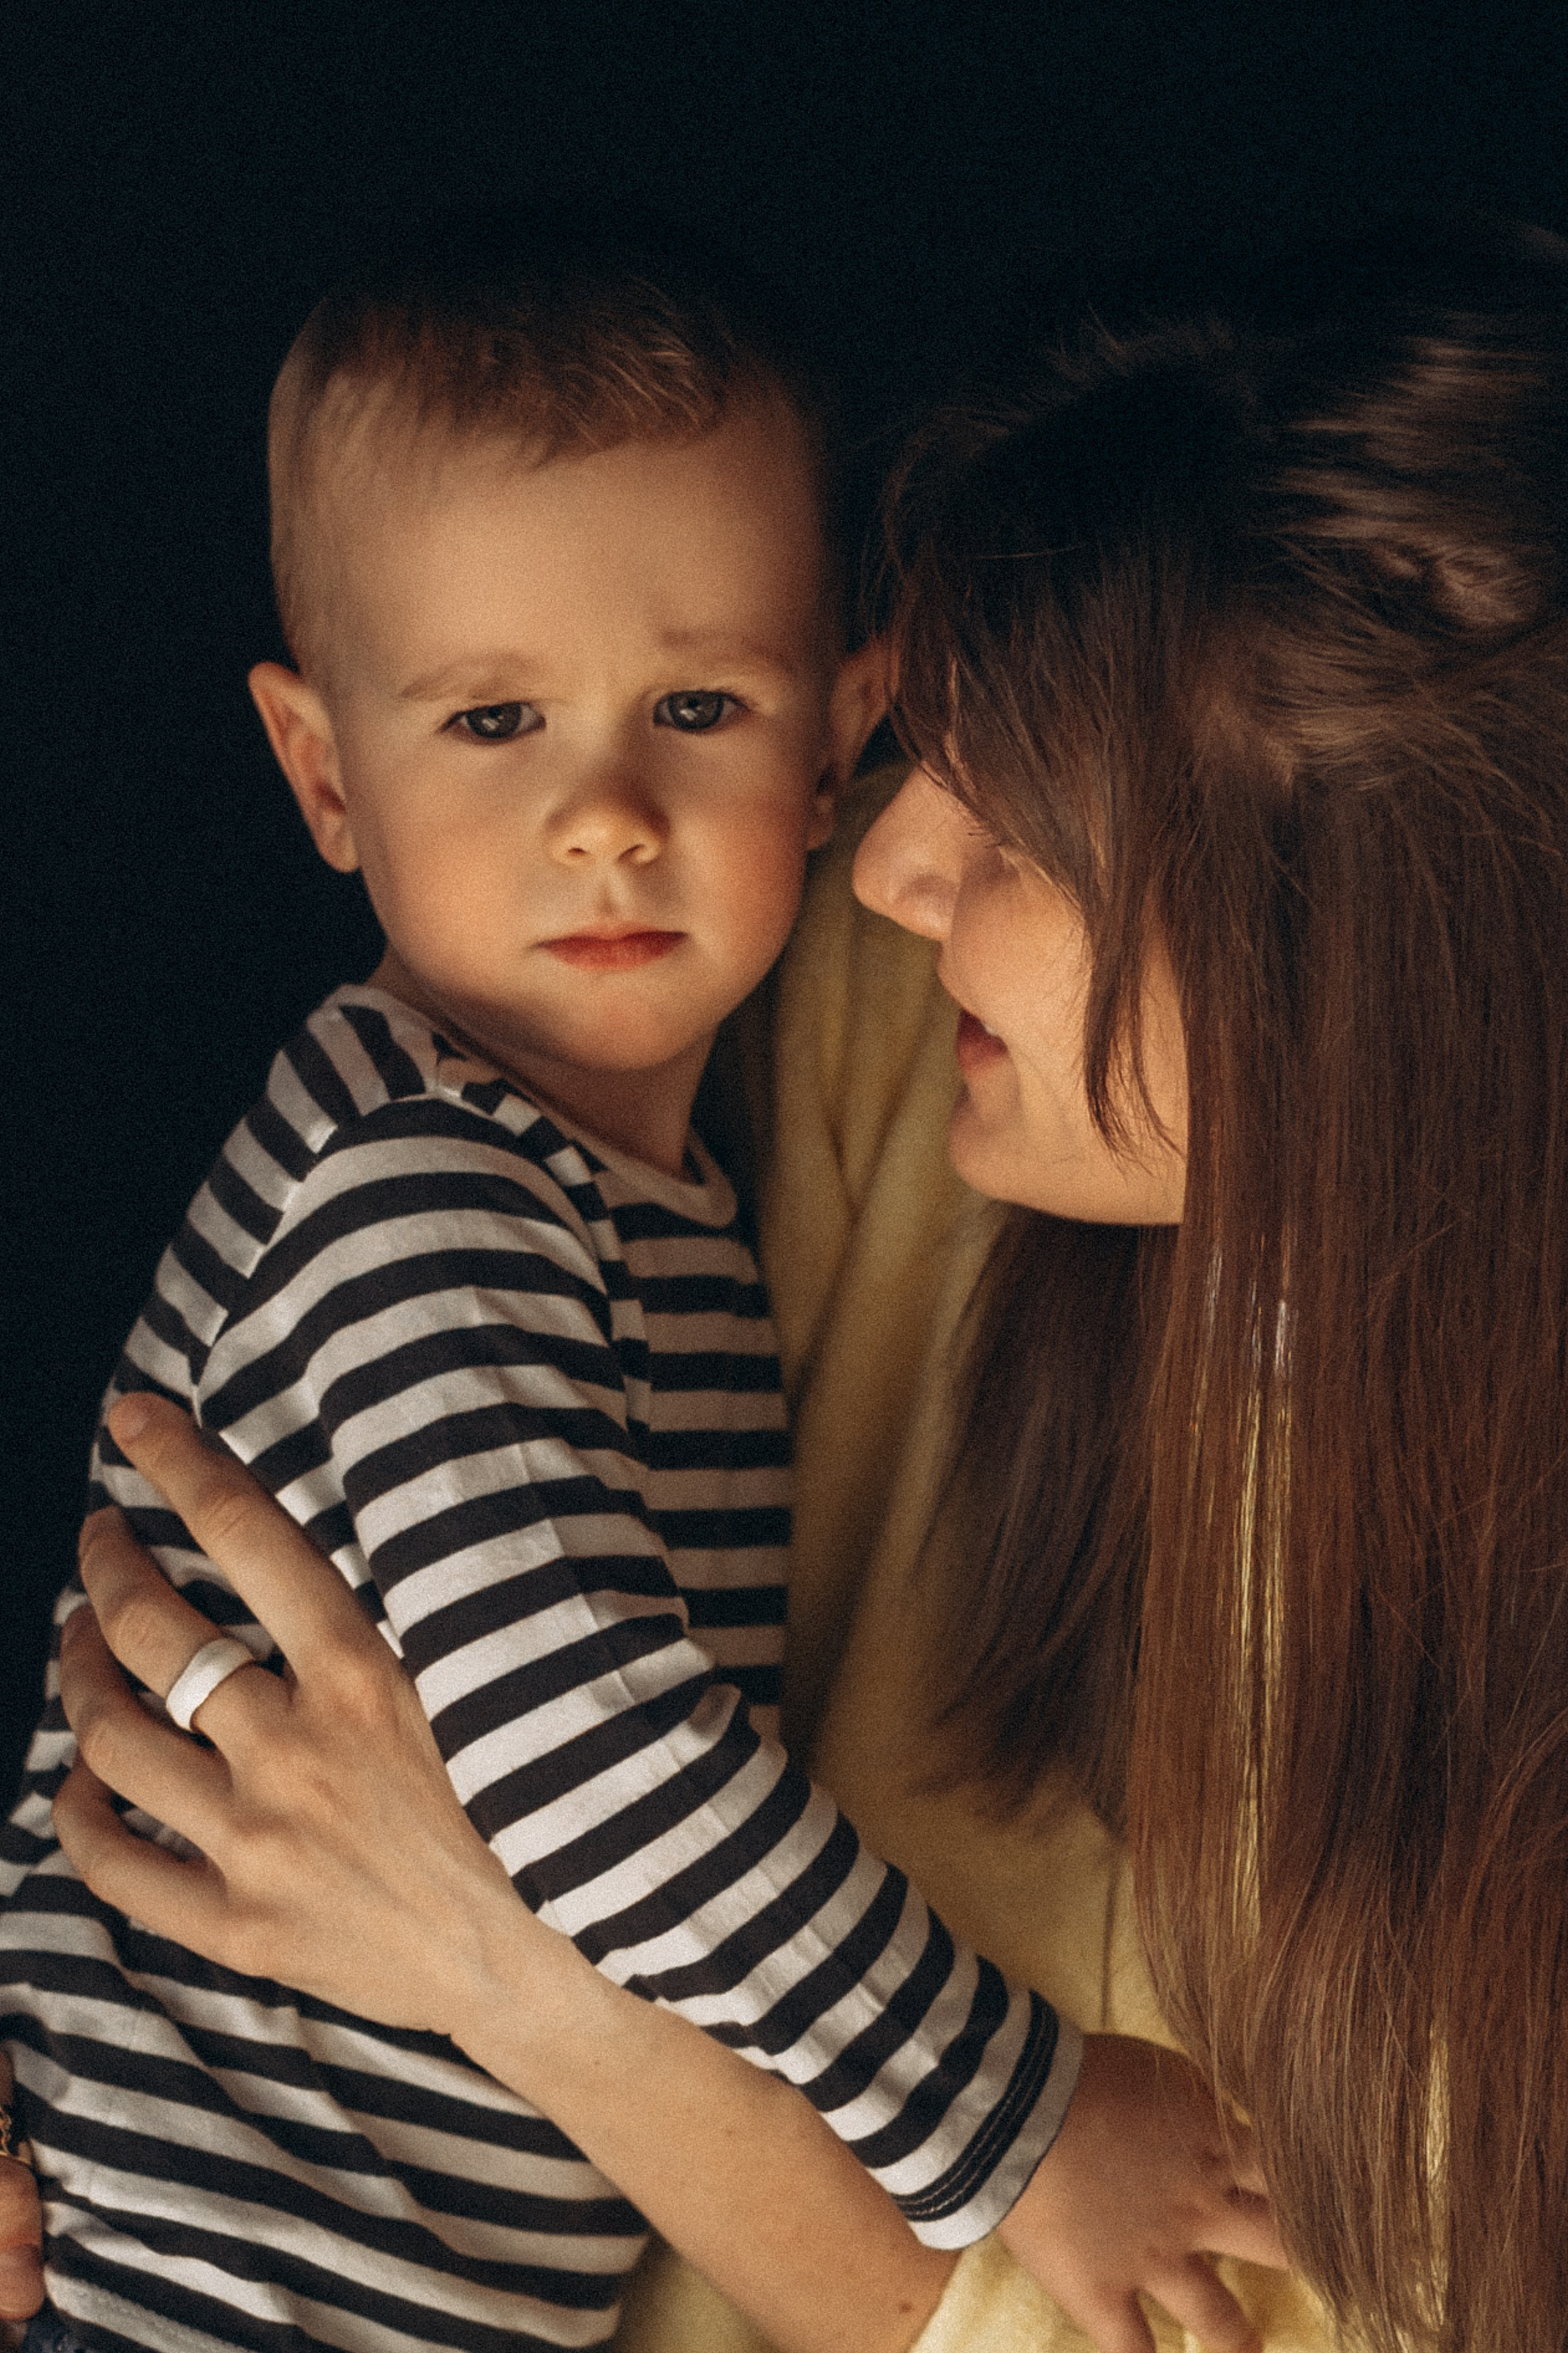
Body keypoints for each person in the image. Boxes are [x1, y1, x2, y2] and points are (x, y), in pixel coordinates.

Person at [0, 213, 1278, 2353]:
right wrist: (1023, 2122)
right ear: (327, 773)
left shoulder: (625, 1170)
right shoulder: (423, 1186)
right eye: (493, 718)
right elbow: (585, 1757)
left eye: (697, 705)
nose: (604, 814)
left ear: (841, 734)